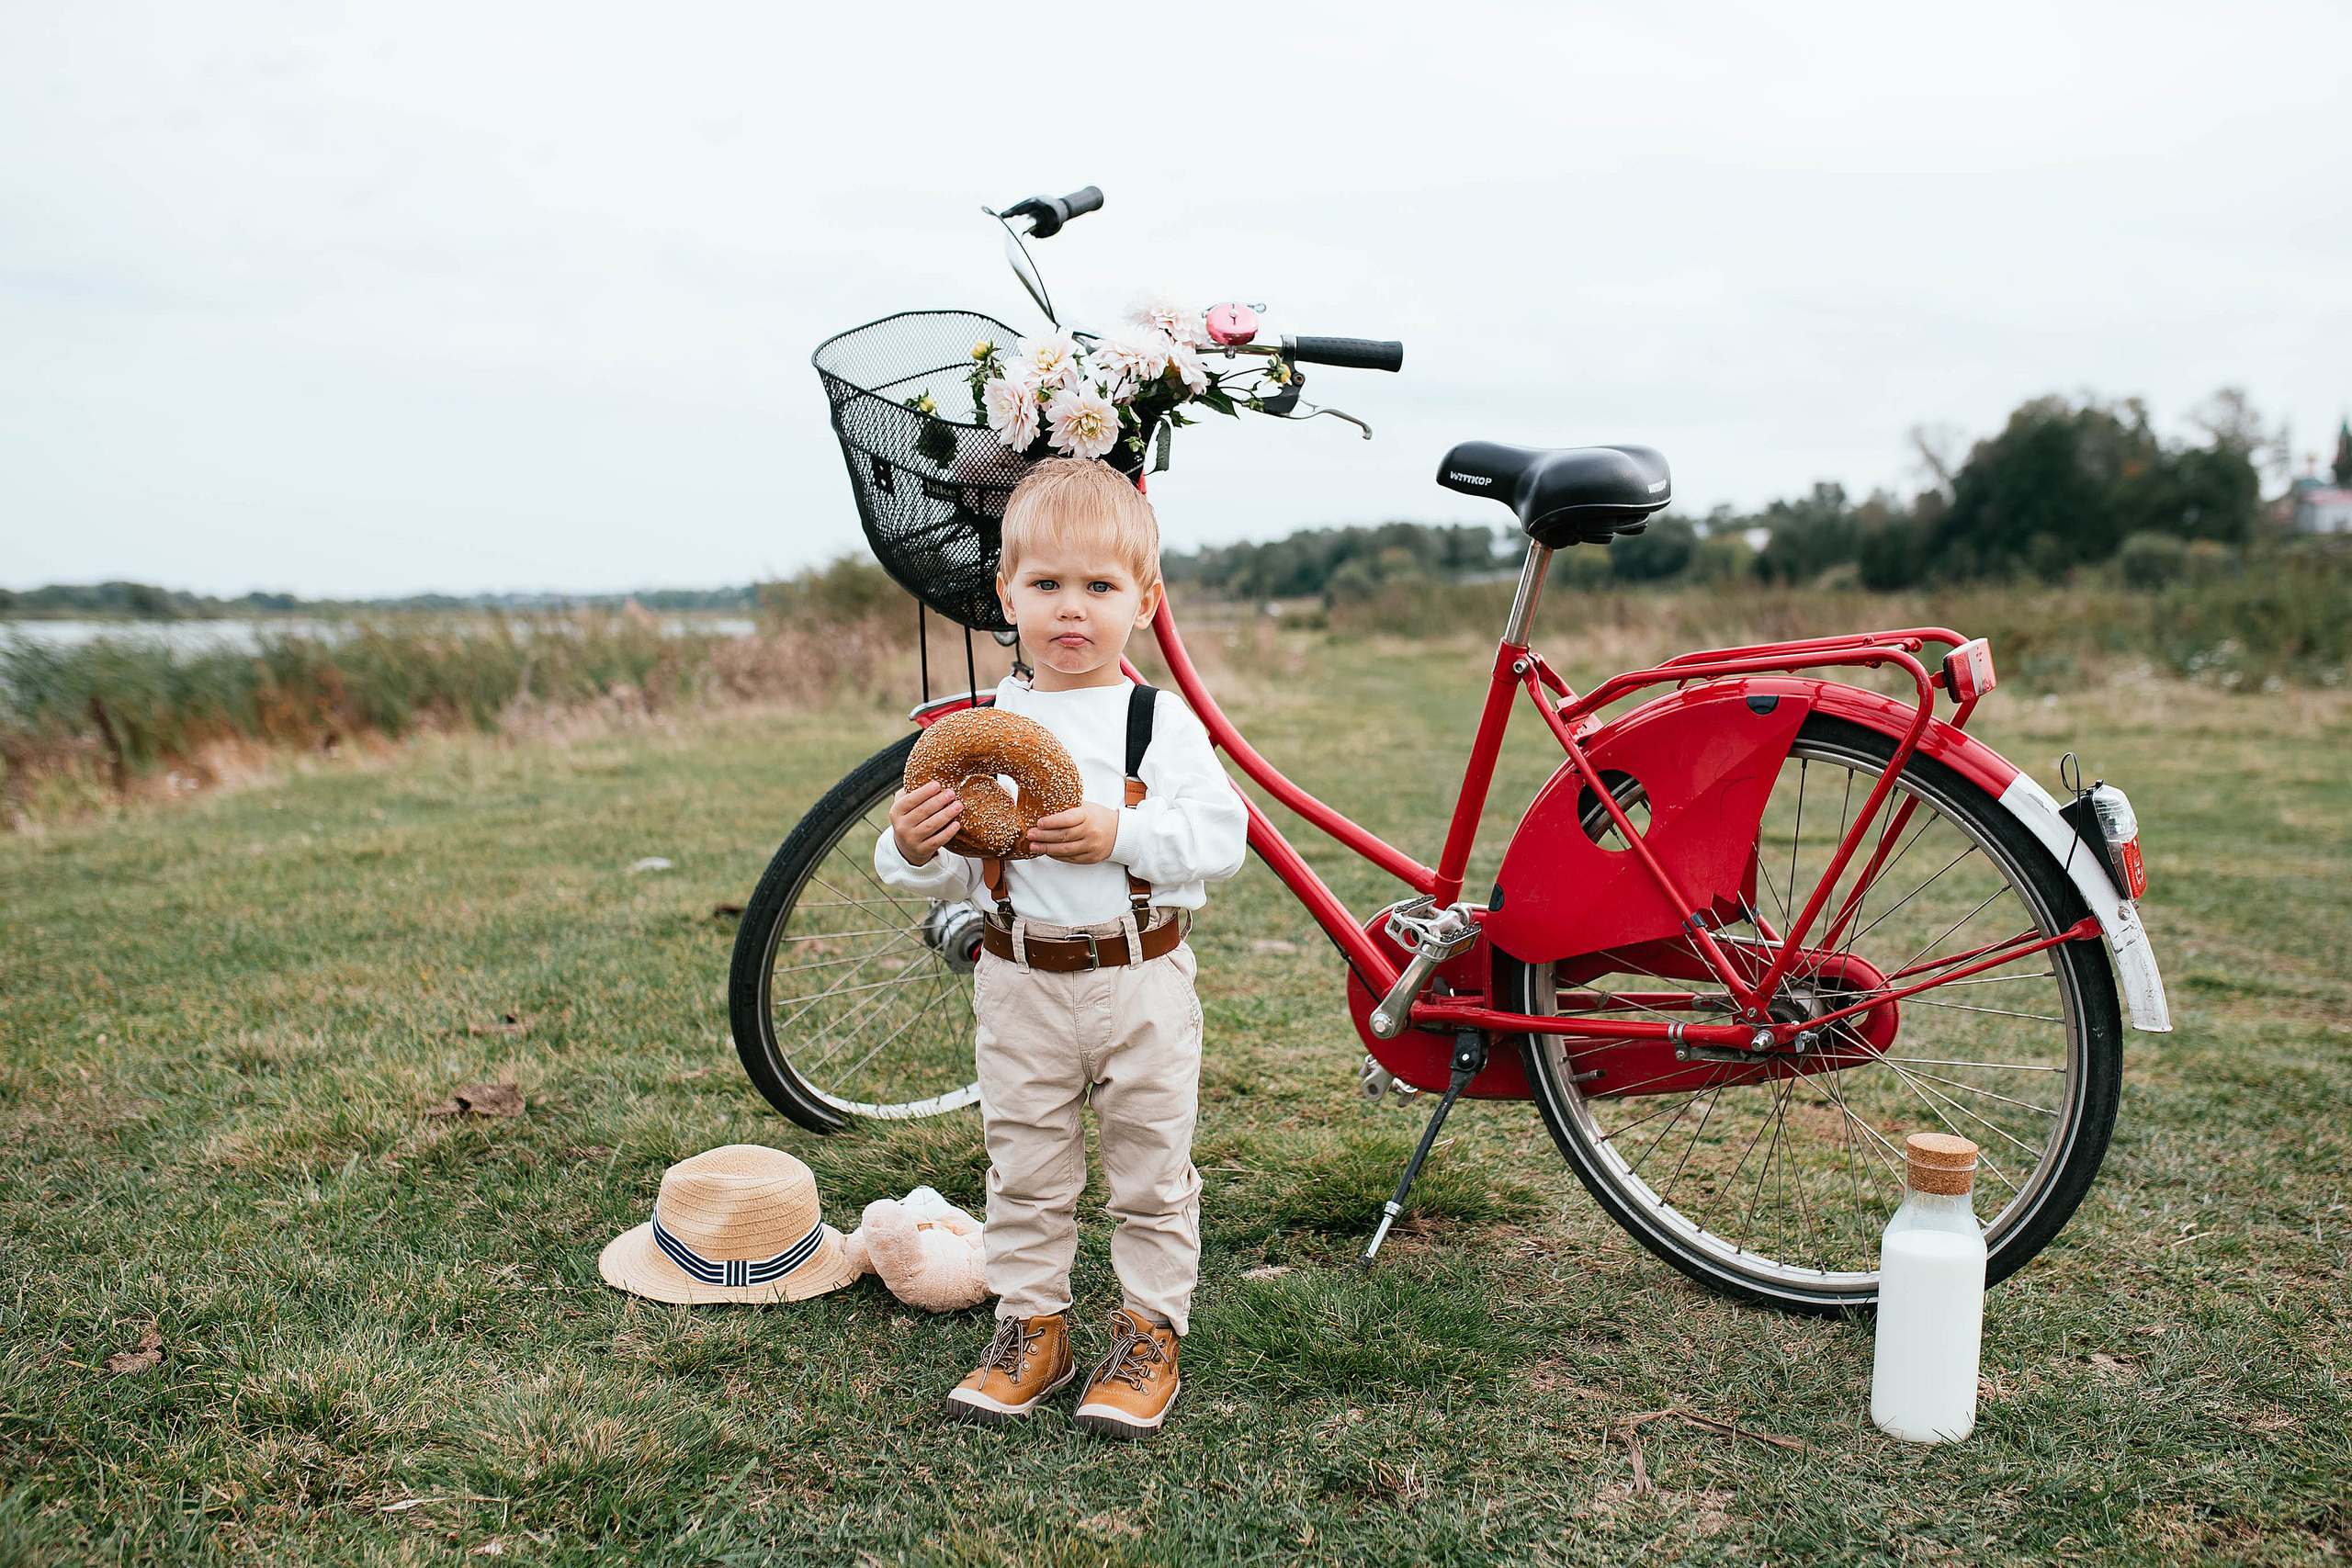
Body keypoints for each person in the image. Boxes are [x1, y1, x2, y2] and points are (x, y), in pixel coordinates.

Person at [875, 457, 1248, 1439]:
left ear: (1144, 600)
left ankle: (1147, 1331)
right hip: (1018, 980)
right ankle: (1031, 1326)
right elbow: (944, 866)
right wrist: (910, 845)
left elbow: (1222, 837)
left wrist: (1119, 832)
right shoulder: (985, 729)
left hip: (1140, 977)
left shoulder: (1152, 722)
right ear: (1005, 595)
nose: (1070, 610)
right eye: (1044, 585)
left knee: (1150, 1171)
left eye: (1098, 587)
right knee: (1025, 1167)